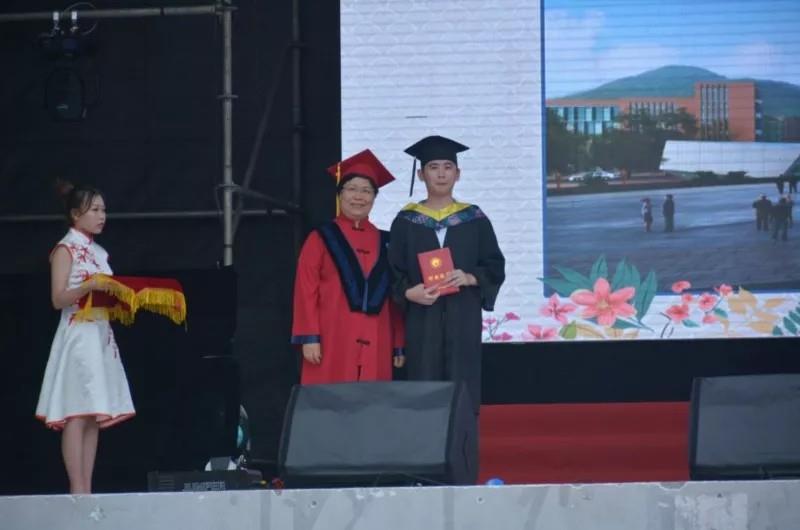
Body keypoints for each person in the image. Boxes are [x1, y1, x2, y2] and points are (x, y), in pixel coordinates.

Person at [388, 135, 505, 414]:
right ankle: (424, 442)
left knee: (463, 383)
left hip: (463, 314)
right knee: (423, 383)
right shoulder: (406, 221)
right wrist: (408, 292)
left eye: (447, 167)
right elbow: (392, 270)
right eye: (433, 167)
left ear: (458, 174)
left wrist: (470, 277)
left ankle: (462, 442)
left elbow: (494, 264)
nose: (441, 174)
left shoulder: (474, 218)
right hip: (422, 318)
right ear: (421, 174)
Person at [35, 182, 135, 494]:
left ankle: (87, 489)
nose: (101, 216)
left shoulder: (98, 252)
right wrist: (88, 287)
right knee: (76, 413)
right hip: (79, 334)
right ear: (76, 214)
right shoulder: (65, 249)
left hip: (100, 334)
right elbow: (58, 298)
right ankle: (77, 489)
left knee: (92, 415)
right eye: (95, 210)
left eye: (103, 210)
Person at [291, 149, 405, 384]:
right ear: (340, 194)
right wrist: (309, 336)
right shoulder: (320, 237)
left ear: (374, 197)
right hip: (331, 336)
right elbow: (306, 289)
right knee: (329, 398)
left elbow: (395, 297)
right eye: (351, 189)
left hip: (377, 338)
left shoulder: (387, 242)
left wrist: (398, 343)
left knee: (371, 400)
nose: (358, 197)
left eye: (366, 191)